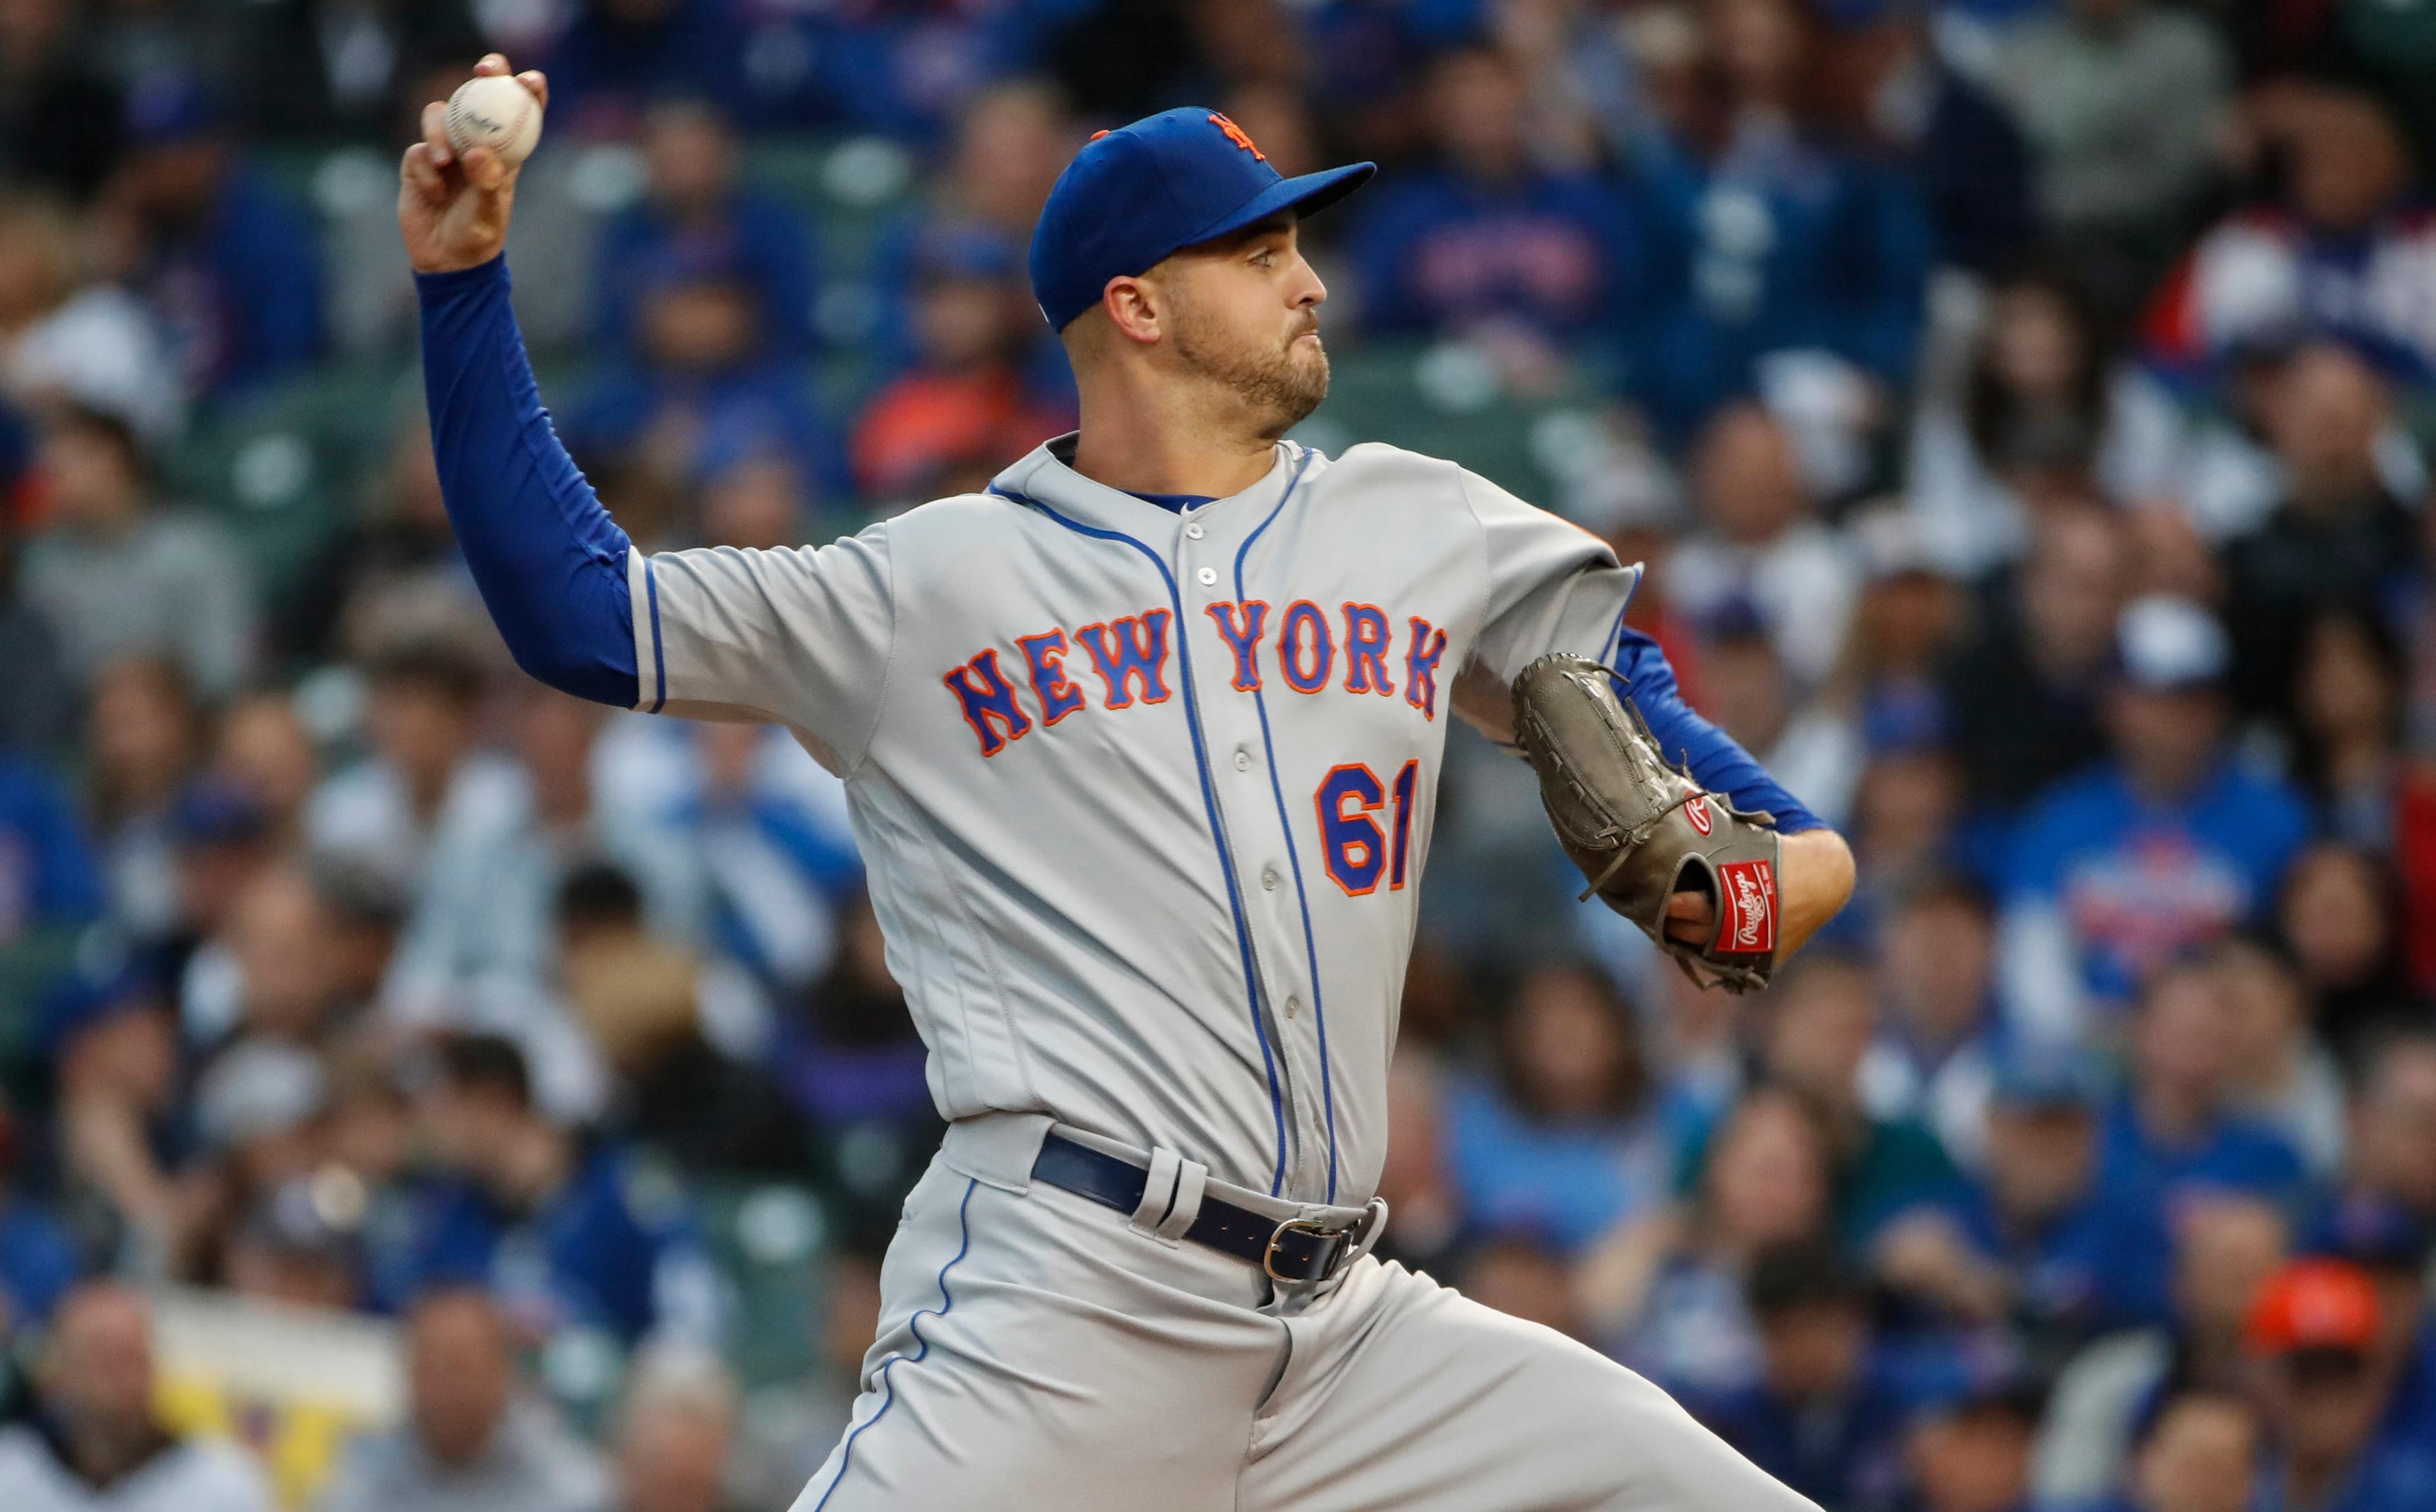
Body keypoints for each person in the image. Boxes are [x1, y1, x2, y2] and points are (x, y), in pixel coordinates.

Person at [402, 56, 1855, 1509]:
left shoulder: (1420, 524)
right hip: (1066, 1301)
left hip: (1348, 1329)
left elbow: (1681, 759)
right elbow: (580, 613)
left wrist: (1781, 876)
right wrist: (464, 284)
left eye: (1298, 246)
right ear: (1137, 307)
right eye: (1260, 251)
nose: (1310, 285)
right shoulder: (931, 583)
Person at [318, 1286, 609, 1512]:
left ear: (503, 1374)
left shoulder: (566, 1482)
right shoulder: (360, 1473)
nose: (445, 1389)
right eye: (429, 1367)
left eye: (462, 1369)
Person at [0, 1281, 275, 1512]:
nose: (118, 1381)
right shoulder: (10, 1472)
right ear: (55, 1375)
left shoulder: (223, 1485)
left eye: (130, 1359)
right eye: (98, 1359)